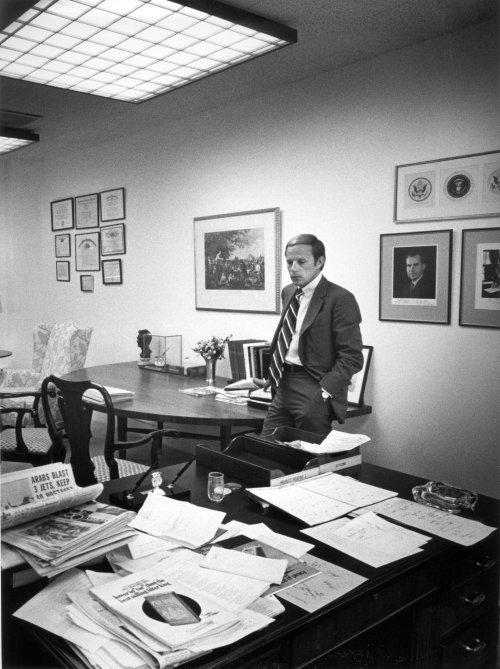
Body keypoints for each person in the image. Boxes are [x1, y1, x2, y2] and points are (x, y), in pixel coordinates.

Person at [260, 234, 363, 437]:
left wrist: (324, 392)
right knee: (266, 446)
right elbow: (289, 337)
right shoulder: (289, 291)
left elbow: (352, 357)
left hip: (313, 386)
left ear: (320, 261)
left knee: (308, 457)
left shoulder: (340, 299)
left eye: (301, 262)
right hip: (282, 384)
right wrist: (272, 374)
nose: (293, 268)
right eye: (289, 262)